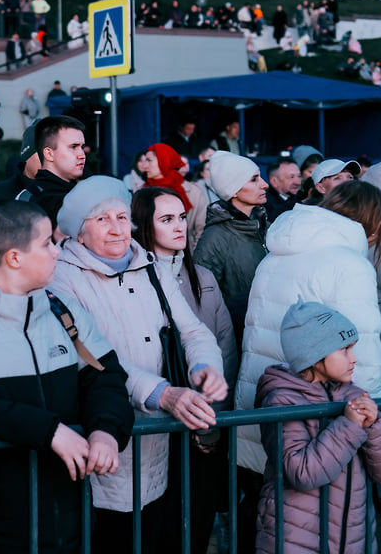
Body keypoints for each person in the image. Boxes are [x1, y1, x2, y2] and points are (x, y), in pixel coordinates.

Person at [0, 201, 134, 554]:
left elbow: (107, 377)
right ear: (14, 258)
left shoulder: (62, 308)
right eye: (47, 243)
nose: (57, 251)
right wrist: (48, 432)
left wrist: (106, 430)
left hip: (73, 517)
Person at [49, 176, 226, 552]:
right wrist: (161, 393)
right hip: (103, 440)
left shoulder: (148, 265)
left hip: (157, 443)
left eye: (120, 216)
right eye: (102, 220)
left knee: (155, 528)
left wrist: (206, 367)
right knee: (110, 535)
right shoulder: (61, 278)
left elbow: (193, 330)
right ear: (79, 234)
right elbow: (96, 357)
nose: (117, 229)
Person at [235, 180, 381, 475]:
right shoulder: (349, 265)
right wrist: (372, 419)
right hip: (318, 423)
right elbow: (362, 354)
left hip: (262, 405)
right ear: (374, 221)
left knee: (265, 511)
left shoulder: (275, 256)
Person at [254, 302, 381, 554]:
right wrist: (348, 426)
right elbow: (302, 473)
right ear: (313, 356)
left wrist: (375, 425)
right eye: (344, 350)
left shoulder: (354, 395)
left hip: (354, 540)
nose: (354, 358)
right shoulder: (282, 400)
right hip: (296, 540)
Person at [131, 186, 236, 554]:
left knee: (198, 520)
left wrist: (213, 422)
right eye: (166, 219)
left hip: (201, 424)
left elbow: (223, 346)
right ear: (144, 225)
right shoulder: (131, 283)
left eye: (181, 217)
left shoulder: (203, 277)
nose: (179, 226)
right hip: (152, 422)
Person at [192, 151, 270, 336]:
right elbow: (203, 301)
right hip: (239, 334)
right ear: (234, 190)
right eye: (254, 179)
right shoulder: (215, 237)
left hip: (267, 329)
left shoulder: (264, 225)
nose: (265, 184)